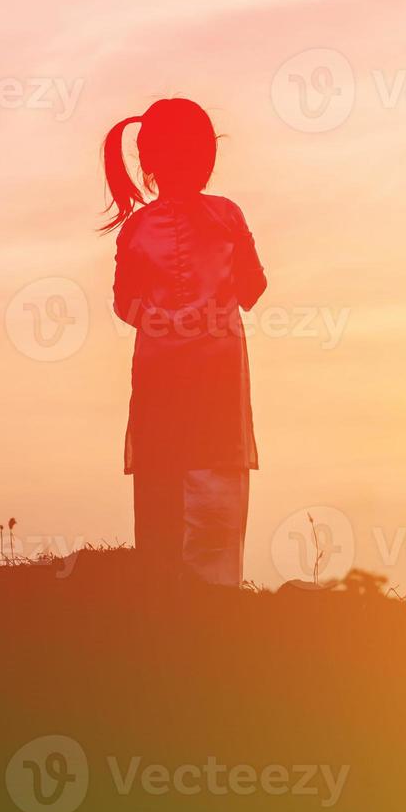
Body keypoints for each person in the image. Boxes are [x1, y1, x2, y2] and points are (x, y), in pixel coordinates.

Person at [103, 98, 266, 587]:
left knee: (161, 466)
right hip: (217, 366)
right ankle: (214, 590)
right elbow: (253, 289)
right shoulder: (226, 217)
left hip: (157, 368)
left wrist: (162, 322)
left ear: (146, 162)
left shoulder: (135, 228)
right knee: (216, 466)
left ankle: (161, 583)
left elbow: (123, 304)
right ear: (206, 157)